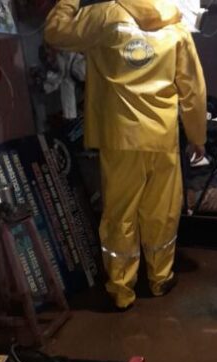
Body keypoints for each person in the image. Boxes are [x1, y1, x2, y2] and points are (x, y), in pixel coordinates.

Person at [45, 0, 207, 310]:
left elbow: (55, 32)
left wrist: (68, 1)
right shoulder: (175, 24)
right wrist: (197, 136)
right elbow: (193, 89)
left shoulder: (104, 15)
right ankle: (160, 279)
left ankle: (121, 290)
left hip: (120, 137)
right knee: (161, 211)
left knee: (120, 214)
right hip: (162, 136)